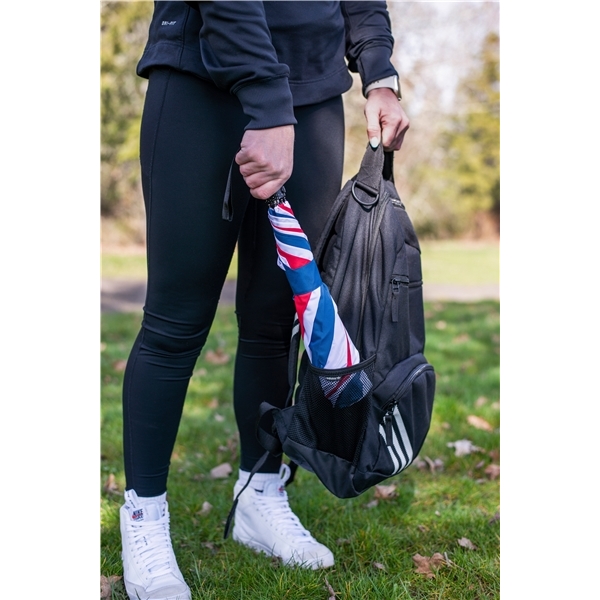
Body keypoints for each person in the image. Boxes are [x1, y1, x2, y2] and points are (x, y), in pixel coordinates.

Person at [118, 2, 409, 599]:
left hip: (313, 90)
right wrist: (270, 106)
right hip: (203, 78)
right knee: (175, 323)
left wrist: (379, 73)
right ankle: (143, 515)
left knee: (278, 321)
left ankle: (260, 493)